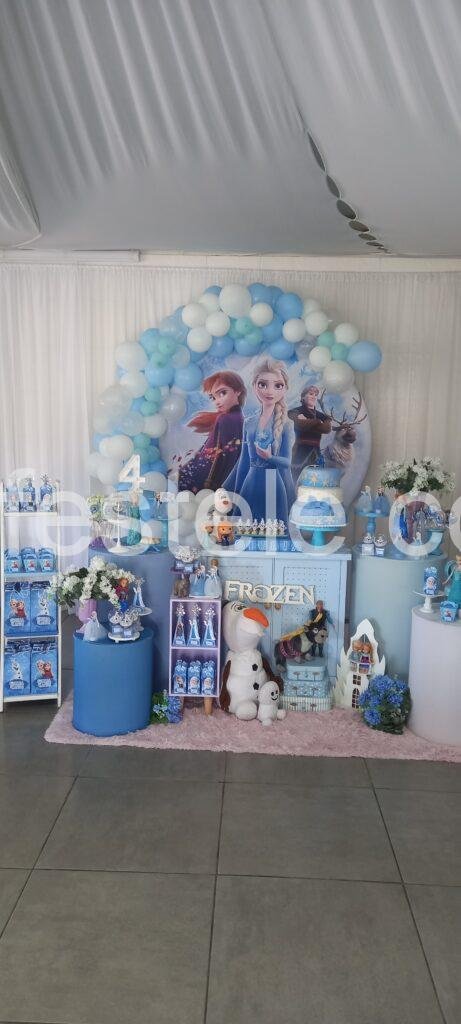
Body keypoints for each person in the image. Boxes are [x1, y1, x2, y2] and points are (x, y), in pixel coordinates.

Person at [223, 358, 295, 525]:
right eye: (263, 384)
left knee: (273, 531)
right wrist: (235, 497)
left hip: (273, 485)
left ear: (285, 388)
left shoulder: (286, 424)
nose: (269, 391)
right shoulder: (249, 423)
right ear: (254, 386)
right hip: (251, 483)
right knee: (247, 530)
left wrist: (270, 457)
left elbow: (287, 462)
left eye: (278, 385)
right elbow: (243, 462)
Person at [178, 371, 246, 493]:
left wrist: (189, 474)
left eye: (222, 393)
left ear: (238, 391)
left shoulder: (225, 419)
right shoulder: (240, 418)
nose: (217, 402)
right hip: (231, 482)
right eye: (213, 398)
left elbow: (215, 457)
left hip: (212, 481)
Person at [288, 384, 332, 487]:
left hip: (316, 451)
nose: (314, 397)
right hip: (300, 451)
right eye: (311, 394)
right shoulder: (296, 411)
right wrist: (317, 422)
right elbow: (300, 424)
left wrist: (309, 422)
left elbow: (327, 429)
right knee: (296, 480)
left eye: (315, 395)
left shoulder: (321, 415)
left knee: (315, 483)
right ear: (303, 397)